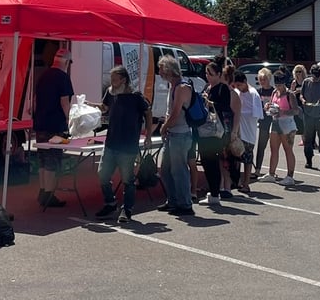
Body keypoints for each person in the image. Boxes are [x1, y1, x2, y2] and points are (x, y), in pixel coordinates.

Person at [89, 66, 152, 223]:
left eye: (115, 80)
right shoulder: (111, 93)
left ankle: (127, 209)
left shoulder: (135, 96)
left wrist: (148, 134)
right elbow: (105, 108)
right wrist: (90, 105)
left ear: (124, 80)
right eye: (111, 80)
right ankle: (110, 203)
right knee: (103, 174)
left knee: (128, 180)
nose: (112, 83)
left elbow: (148, 112)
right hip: (111, 143)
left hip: (128, 145)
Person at [33, 48, 74, 208]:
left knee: (43, 158)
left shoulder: (43, 75)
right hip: (55, 124)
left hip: (41, 123)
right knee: (53, 160)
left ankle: (42, 191)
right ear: (66, 62)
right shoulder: (63, 78)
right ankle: (49, 195)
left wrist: (37, 116)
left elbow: (36, 100)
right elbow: (65, 102)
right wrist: (69, 120)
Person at [156, 54, 194, 217]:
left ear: (168, 69)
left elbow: (176, 112)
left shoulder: (182, 87)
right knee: (165, 170)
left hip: (180, 134)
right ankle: (173, 201)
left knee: (179, 171)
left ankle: (185, 204)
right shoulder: (174, 86)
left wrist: (164, 127)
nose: (159, 73)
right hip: (174, 134)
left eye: (161, 69)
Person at [200, 57, 240, 204]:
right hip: (204, 129)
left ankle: (216, 193)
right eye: (206, 73)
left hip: (217, 130)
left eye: (210, 73)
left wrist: (209, 102)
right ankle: (213, 191)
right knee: (205, 161)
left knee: (212, 161)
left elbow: (225, 108)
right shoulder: (206, 87)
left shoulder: (223, 89)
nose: (208, 76)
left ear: (218, 74)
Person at [262, 69, 299, 186]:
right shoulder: (274, 93)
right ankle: (271, 174)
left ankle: (290, 176)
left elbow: (296, 110)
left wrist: (282, 112)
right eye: (276, 84)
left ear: (284, 83)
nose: (278, 87)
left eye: (280, 85)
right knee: (274, 149)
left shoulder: (289, 95)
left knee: (288, 149)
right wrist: (268, 106)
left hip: (287, 124)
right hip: (275, 122)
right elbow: (272, 105)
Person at [232, 72, 261, 193]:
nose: (238, 87)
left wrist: (240, 113)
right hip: (238, 132)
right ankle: (237, 181)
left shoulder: (253, 94)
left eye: (239, 85)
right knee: (236, 157)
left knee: (247, 159)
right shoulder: (238, 93)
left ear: (245, 82)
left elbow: (257, 115)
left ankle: (246, 183)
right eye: (236, 85)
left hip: (248, 132)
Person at [300, 64, 320, 171]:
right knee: (308, 139)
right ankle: (308, 160)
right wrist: (303, 100)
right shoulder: (306, 82)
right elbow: (301, 94)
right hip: (308, 113)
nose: (315, 79)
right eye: (314, 77)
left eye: (317, 77)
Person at [253, 68, 275, 179]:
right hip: (263, 122)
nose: (262, 81)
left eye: (264, 79)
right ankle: (257, 169)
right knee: (261, 146)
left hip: (274, 121)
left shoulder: (274, 91)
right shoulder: (258, 91)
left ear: (269, 79)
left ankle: (272, 170)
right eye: (260, 79)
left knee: (274, 147)